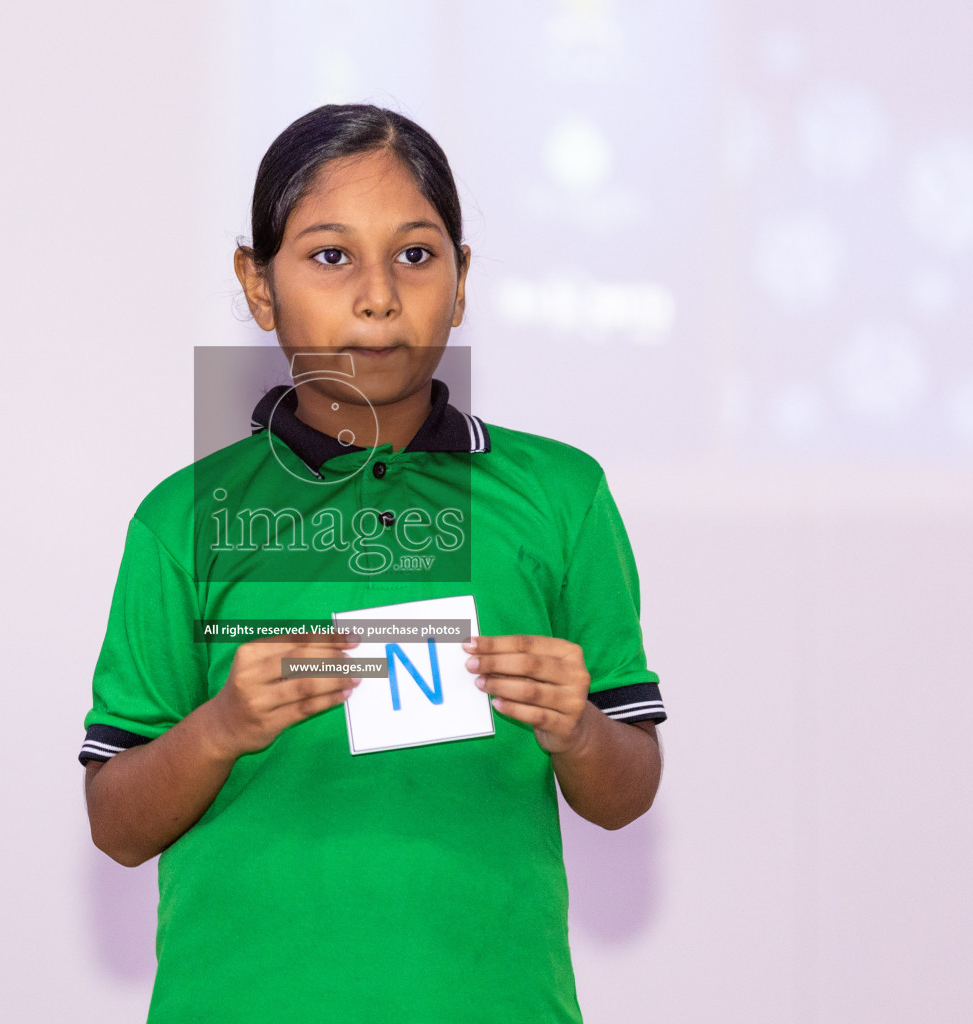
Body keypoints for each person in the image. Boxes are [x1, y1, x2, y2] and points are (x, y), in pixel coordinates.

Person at [81, 103, 665, 1024]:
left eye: (417, 255)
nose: (379, 296)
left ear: (463, 278)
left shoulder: (562, 495)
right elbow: (115, 823)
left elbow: (628, 790)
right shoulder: (182, 519)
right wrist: (225, 724)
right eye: (329, 256)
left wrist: (580, 731)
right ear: (257, 282)